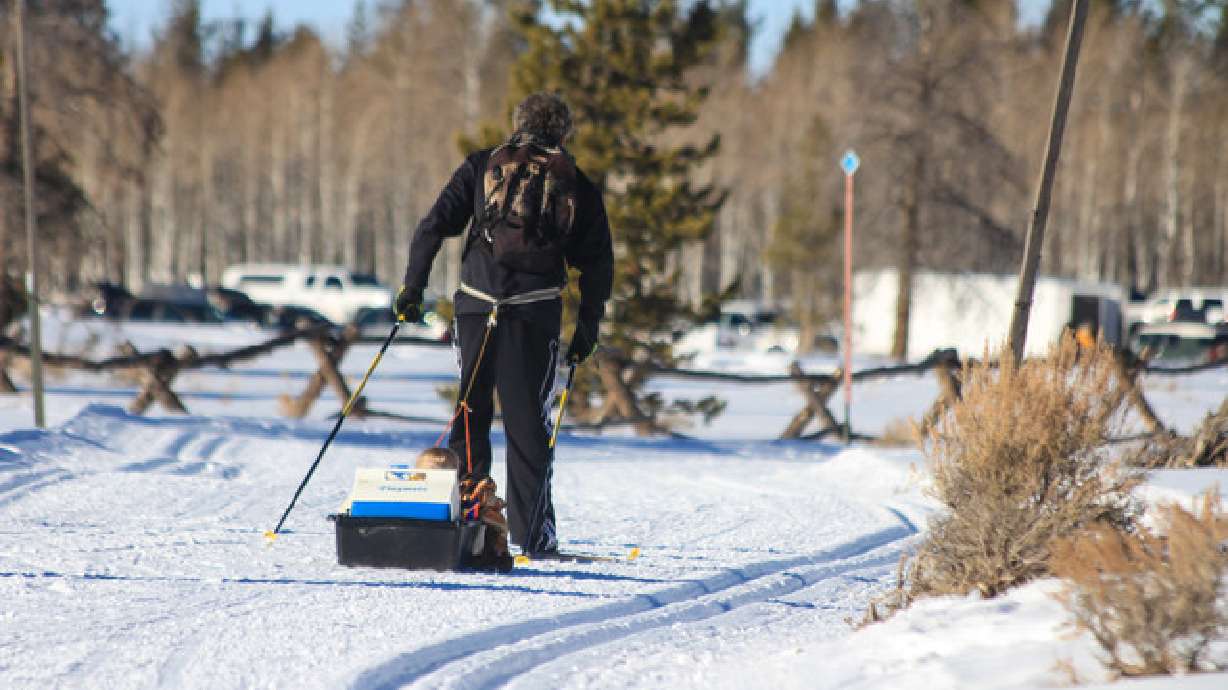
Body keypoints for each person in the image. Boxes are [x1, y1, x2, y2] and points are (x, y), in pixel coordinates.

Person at [395, 92, 613, 556]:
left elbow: (433, 226)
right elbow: (597, 264)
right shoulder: (574, 181)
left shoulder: (482, 166)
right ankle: (533, 536)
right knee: (527, 422)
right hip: (533, 312)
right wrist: (587, 328)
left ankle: (471, 523)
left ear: (517, 124)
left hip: (475, 306)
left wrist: (412, 289)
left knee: (470, 412)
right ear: (564, 132)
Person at [414, 447, 512, 571]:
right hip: (422, 539)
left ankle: (494, 554)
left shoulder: (465, 494)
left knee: (487, 515)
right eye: (425, 476)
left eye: (438, 476)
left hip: (459, 544)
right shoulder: (416, 494)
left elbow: (492, 509)